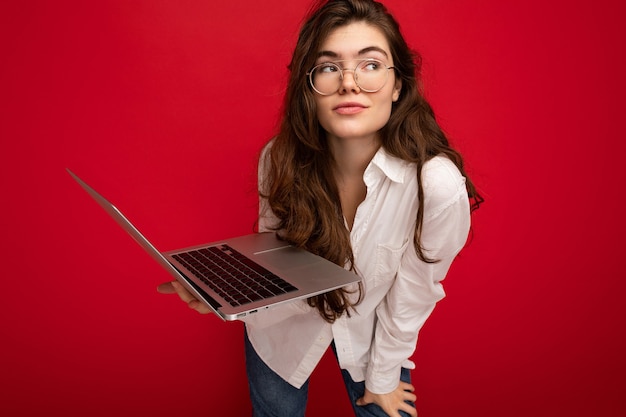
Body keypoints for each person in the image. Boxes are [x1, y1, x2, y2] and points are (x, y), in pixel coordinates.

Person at [157, 0, 482, 416]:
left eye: (370, 65)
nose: (349, 83)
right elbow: (275, 260)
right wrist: (229, 298)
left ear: (397, 84)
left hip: (377, 338)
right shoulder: (278, 159)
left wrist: (383, 378)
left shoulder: (435, 185)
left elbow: (414, 294)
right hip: (280, 335)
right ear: (308, 87)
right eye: (328, 67)